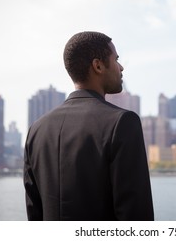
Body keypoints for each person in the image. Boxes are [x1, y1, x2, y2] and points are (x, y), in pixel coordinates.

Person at [23, 31, 154, 221]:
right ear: (98, 65)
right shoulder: (122, 122)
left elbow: (34, 214)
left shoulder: (36, 130)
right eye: (116, 59)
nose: (121, 67)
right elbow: (136, 215)